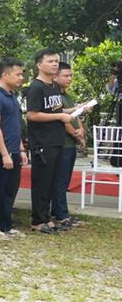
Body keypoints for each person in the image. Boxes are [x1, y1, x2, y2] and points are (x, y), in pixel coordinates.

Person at [25, 49, 74, 234]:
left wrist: (76, 110)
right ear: (39, 64)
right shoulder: (36, 87)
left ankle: (47, 218)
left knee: (52, 181)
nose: (54, 64)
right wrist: (60, 116)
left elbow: (56, 111)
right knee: (42, 182)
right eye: (51, 61)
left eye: (56, 61)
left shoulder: (54, 86)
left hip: (57, 140)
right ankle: (38, 220)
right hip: (42, 142)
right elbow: (32, 115)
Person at [0, 57, 27, 241]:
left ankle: (6, 224)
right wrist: (4, 154)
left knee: (10, 190)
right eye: (17, 74)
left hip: (14, 152)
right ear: (5, 74)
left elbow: (15, 126)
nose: (21, 78)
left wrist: (21, 149)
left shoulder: (13, 97)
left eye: (21, 74)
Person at [52, 61, 88, 229]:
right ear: (55, 76)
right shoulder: (55, 96)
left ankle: (61, 212)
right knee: (60, 180)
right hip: (63, 143)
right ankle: (61, 214)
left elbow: (76, 115)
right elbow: (63, 120)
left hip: (71, 143)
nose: (70, 78)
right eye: (66, 75)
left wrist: (81, 130)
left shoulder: (67, 95)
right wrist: (76, 135)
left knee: (64, 180)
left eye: (71, 75)